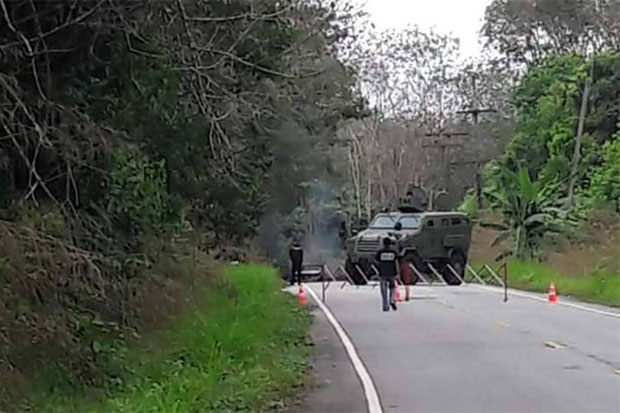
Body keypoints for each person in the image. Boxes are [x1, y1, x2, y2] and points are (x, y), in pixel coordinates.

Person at [375, 237, 399, 311]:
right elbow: (396, 262)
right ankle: (391, 300)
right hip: (392, 272)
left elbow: (377, 261)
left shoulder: (380, 252)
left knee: (383, 290)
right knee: (392, 287)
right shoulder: (393, 252)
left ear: (383, 243)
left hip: (382, 273)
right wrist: (398, 272)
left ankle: (385, 306)